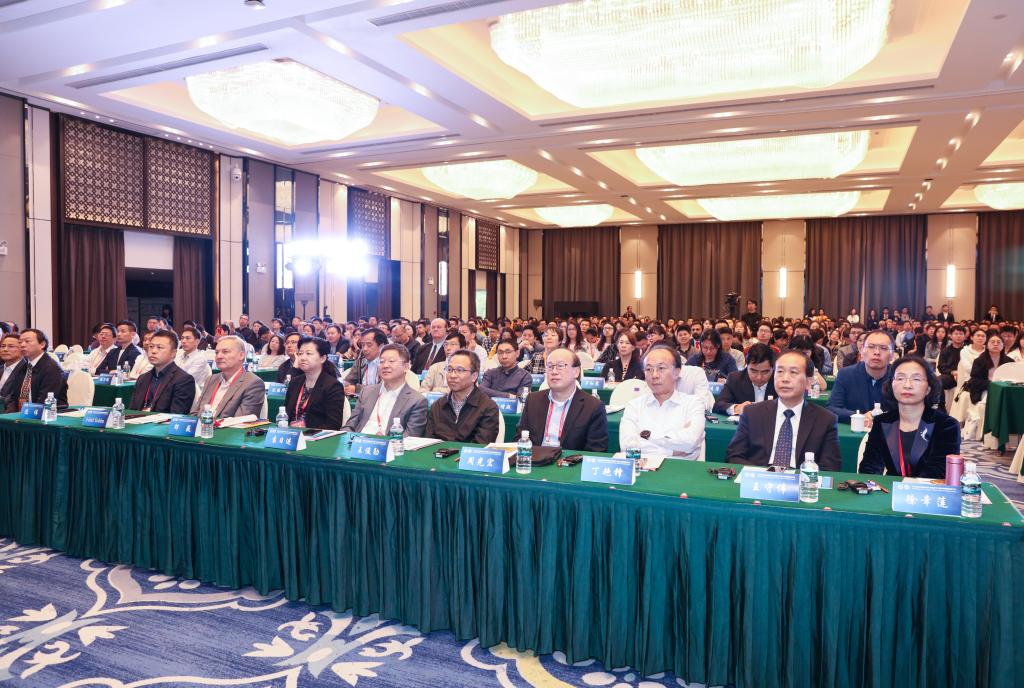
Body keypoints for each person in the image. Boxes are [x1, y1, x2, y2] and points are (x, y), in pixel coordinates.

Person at [725, 350, 841, 470]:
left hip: (800, 478)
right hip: (760, 476)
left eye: (793, 372)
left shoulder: (825, 419)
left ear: (808, 382)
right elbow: (734, 456)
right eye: (780, 371)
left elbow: (830, 466)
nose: (785, 379)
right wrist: (763, 475)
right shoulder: (752, 413)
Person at [859, 357, 960, 479]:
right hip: (889, 488)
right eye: (900, 378)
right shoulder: (882, 421)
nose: (907, 385)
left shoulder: (946, 425)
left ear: (928, 388)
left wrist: (907, 487)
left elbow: (938, 472)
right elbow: (869, 468)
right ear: (891, 385)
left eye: (916, 379)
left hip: (928, 489)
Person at [620, 345, 704, 459]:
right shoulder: (634, 405)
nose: (654, 375)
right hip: (642, 468)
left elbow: (690, 442)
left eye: (661, 368)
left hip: (681, 468)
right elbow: (627, 447)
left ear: (676, 372)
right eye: (648, 369)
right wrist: (670, 452)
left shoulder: (693, 404)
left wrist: (646, 438)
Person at [517, 348, 608, 452]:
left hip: (570, 461)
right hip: (535, 459)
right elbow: (520, 438)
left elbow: (596, 450)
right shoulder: (533, 400)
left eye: (560, 366)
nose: (554, 371)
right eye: (550, 366)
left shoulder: (593, 406)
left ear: (576, 372)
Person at [343, 343, 428, 437]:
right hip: (359, 441)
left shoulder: (416, 400)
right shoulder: (367, 392)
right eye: (382, 361)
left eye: (391, 361)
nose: (385, 365)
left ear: (406, 367)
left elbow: (410, 438)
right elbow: (350, 426)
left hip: (390, 444)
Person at [424, 349, 500, 444]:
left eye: (459, 370)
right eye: (449, 369)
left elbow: (480, 446)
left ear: (474, 376)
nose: (452, 375)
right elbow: (429, 442)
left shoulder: (488, 407)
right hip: (439, 452)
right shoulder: (438, 405)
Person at [827, 330, 895, 426]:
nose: (876, 352)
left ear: (892, 355)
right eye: (871, 347)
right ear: (862, 350)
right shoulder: (846, 374)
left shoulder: (898, 377)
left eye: (883, 348)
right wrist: (859, 417)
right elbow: (832, 408)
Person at [192, 335, 266, 419]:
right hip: (201, 425)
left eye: (225, 352)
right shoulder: (211, 379)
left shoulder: (252, 383)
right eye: (217, 352)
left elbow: (241, 421)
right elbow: (195, 413)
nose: (219, 356)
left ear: (241, 355)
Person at [283, 336, 346, 430]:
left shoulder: (333, 386)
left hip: (316, 436)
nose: (302, 358)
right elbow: (285, 414)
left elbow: (333, 425)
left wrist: (307, 433)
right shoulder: (295, 382)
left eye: (309, 353)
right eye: (300, 353)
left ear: (323, 358)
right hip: (291, 434)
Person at [128, 330, 195, 414]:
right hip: (137, 420)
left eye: (159, 347)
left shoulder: (183, 380)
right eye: (151, 346)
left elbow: (176, 415)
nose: (153, 351)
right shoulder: (143, 378)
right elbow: (132, 410)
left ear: (173, 353)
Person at [2, 328, 68, 412]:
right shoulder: (24, 367)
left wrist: (23, 415)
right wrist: (9, 415)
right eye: (20, 342)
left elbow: (45, 401)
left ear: (42, 344)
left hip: (49, 415)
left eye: (27, 341)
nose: (22, 345)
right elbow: (13, 397)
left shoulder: (52, 369)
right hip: (23, 414)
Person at [713, 343, 776, 415]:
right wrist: (737, 408)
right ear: (746, 366)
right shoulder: (735, 379)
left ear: (773, 368)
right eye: (754, 371)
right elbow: (718, 406)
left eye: (765, 372)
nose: (759, 377)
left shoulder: (780, 381)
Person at [963, 332, 1013, 406]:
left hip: (1005, 390)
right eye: (992, 342)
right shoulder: (979, 361)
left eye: (998, 342)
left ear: (1003, 345)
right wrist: (993, 385)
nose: (995, 344)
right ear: (986, 345)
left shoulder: (1009, 361)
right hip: (985, 390)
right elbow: (975, 381)